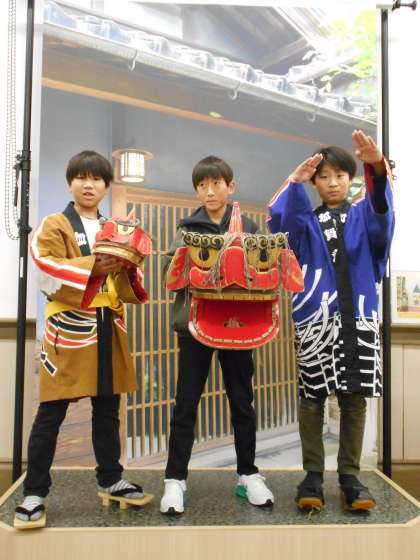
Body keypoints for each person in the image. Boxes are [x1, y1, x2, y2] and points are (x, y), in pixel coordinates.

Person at [15, 150, 151, 529]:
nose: (89, 185)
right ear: (70, 182)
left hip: (108, 325)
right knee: (51, 412)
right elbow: (44, 263)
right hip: (70, 328)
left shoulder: (113, 227)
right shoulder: (55, 224)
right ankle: (34, 491)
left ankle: (111, 478)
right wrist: (93, 265)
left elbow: (131, 281)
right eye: (81, 177)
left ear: (106, 186)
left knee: (108, 409)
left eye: (96, 179)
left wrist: (128, 259)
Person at [267, 131, 394, 511]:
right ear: (316, 183)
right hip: (316, 319)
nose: (333, 182)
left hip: (359, 319)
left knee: (354, 399)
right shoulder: (306, 222)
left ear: (351, 179)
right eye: (324, 176)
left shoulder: (363, 216)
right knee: (312, 398)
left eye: (340, 175)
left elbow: (383, 215)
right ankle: (312, 475)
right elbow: (281, 221)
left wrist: (376, 167)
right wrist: (295, 182)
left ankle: (351, 477)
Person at [160, 156, 274, 515]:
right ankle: (175, 479)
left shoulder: (250, 227)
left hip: (238, 323)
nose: (209, 191)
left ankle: (248, 474)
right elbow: (167, 274)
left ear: (230, 187)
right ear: (197, 190)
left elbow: (265, 269)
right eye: (202, 185)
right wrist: (188, 258)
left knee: (242, 400)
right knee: (186, 402)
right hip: (195, 325)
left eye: (216, 184)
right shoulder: (186, 229)